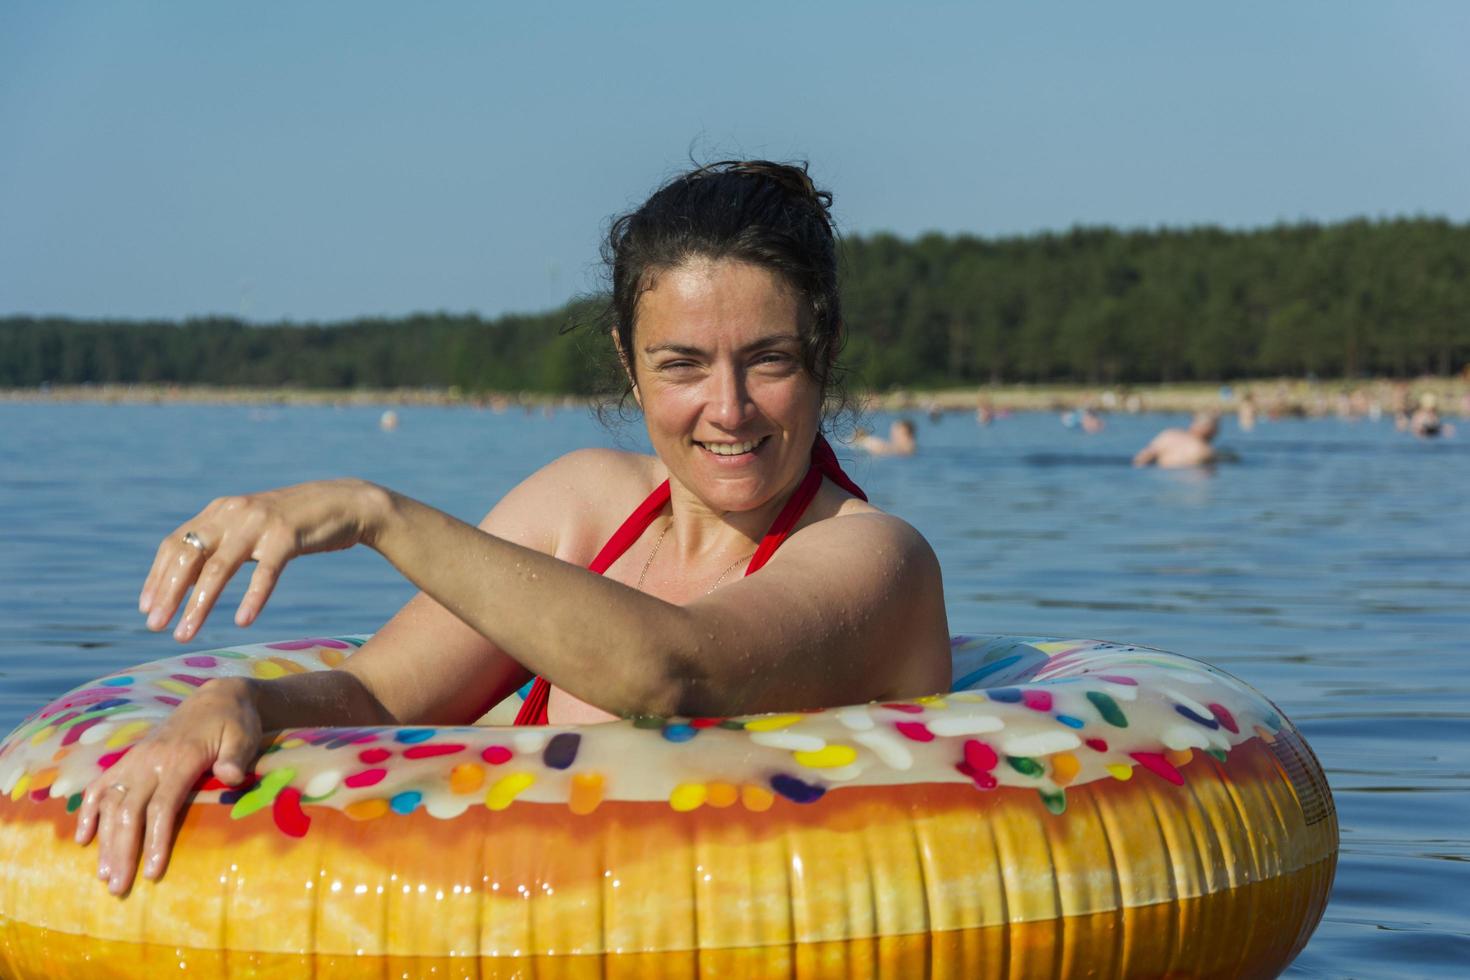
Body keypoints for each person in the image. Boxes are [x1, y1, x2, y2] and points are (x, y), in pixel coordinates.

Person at [72, 161, 953, 897]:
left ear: (824, 349)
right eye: (680, 364)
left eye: (767, 359)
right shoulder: (579, 507)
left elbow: (675, 673)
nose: (727, 409)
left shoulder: (876, 558)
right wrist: (243, 703)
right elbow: (379, 700)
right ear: (628, 364)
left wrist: (376, 513)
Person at [1132, 412, 1220, 469]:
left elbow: (1140, 460)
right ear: (1212, 430)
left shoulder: (1168, 435)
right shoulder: (1205, 451)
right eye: (1216, 427)